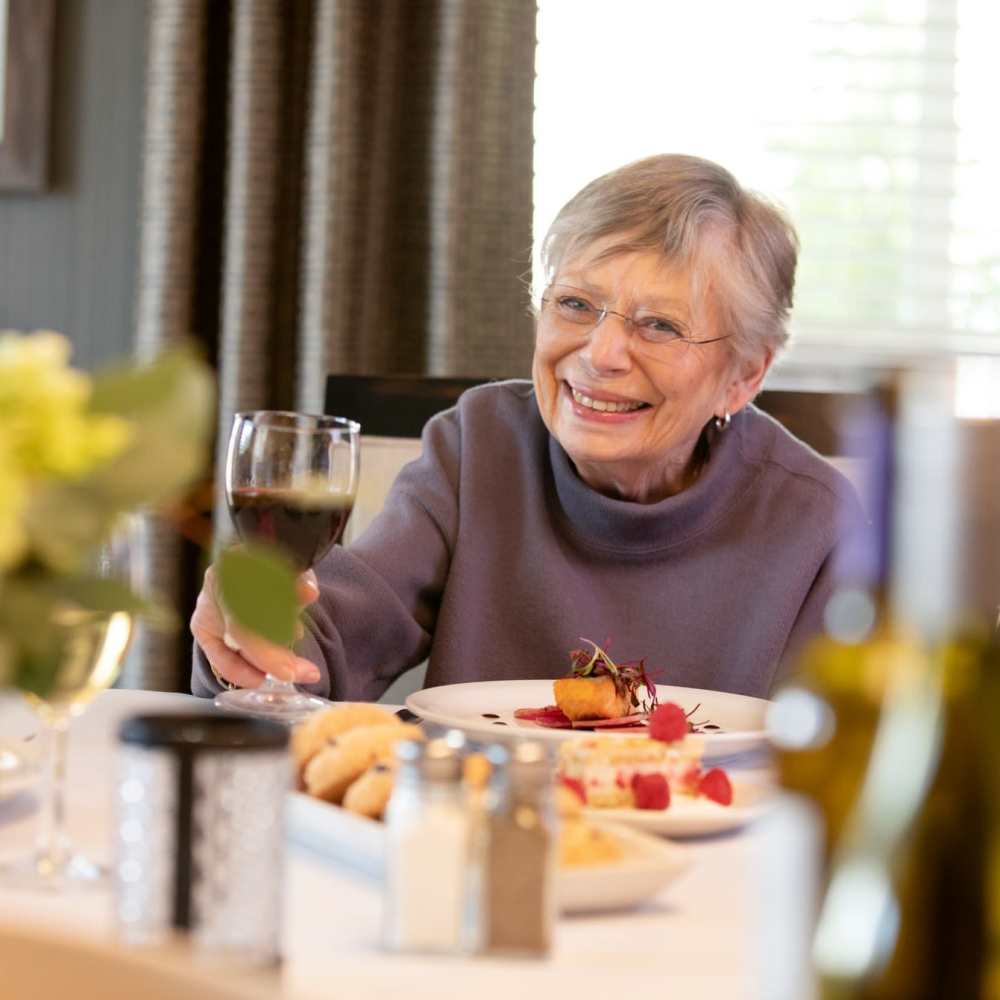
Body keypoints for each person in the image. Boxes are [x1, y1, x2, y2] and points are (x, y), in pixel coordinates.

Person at [192, 154, 862, 702]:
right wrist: (250, 640)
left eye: (659, 325)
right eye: (575, 304)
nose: (600, 355)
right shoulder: (480, 445)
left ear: (744, 375)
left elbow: (841, 784)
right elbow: (329, 641)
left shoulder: (819, 526)